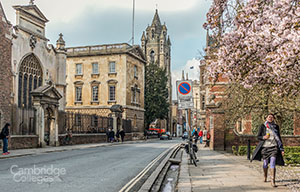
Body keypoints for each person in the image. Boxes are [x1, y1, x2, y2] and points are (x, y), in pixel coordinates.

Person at [251, 114, 284, 187]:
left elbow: (278, 138)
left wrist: (282, 149)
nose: (270, 118)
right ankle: (265, 176)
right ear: (266, 118)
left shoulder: (276, 127)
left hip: (274, 147)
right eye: (269, 117)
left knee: (273, 162)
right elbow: (258, 137)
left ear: (273, 119)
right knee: (265, 163)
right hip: (265, 147)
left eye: (272, 117)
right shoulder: (263, 126)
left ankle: (273, 180)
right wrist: (264, 137)